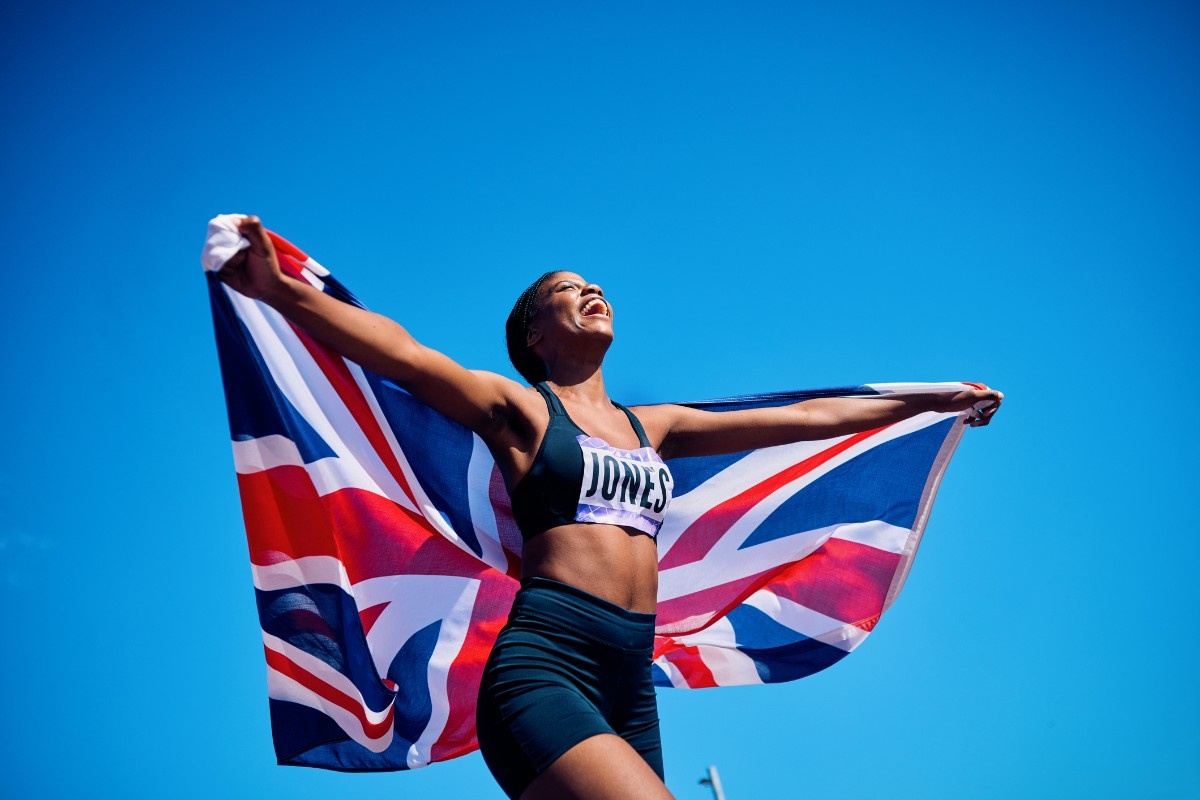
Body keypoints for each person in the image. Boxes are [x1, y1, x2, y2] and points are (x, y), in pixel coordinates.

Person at [217, 216, 1002, 800]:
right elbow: (407, 357)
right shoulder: (519, 413)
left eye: (594, 284)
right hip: (545, 664)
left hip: (627, 681)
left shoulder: (649, 426)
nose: (592, 290)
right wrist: (281, 289)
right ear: (535, 333)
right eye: (567, 290)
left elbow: (801, 421)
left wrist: (926, 399)